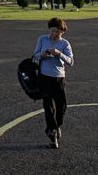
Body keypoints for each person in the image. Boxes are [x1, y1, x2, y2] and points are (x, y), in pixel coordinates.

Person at [32, 17, 74, 149]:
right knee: (48, 107)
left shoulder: (65, 44)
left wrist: (59, 54)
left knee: (61, 107)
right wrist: (42, 55)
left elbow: (71, 62)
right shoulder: (42, 39)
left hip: (58, 78)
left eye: (56, 31)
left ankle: (57, 125)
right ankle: (52, 133)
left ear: (62, 31)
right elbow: (34, 55)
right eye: (51, 31)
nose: (53, 34)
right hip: (44, 77)